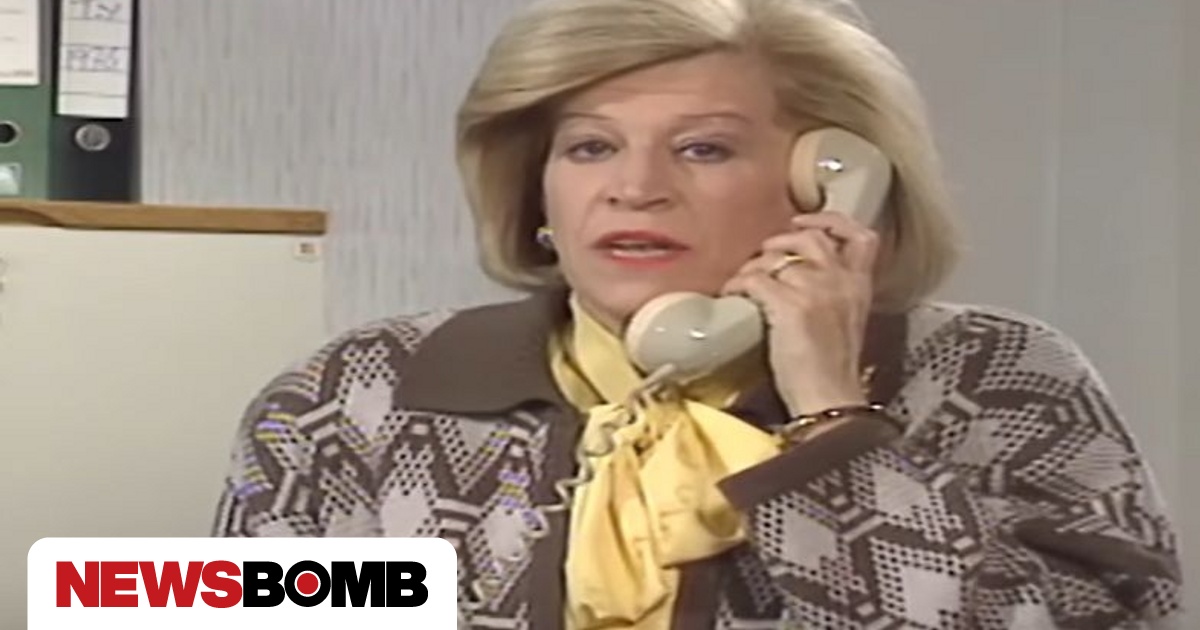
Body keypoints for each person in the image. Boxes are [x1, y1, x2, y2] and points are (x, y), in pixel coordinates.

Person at [212, 0, 1184, 627]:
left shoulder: (993, 377)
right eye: (590, 148)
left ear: (828, 182)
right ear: (537, 188)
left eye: (704, 149)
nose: (634, 188)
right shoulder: (362, 393)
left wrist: (833, 422)